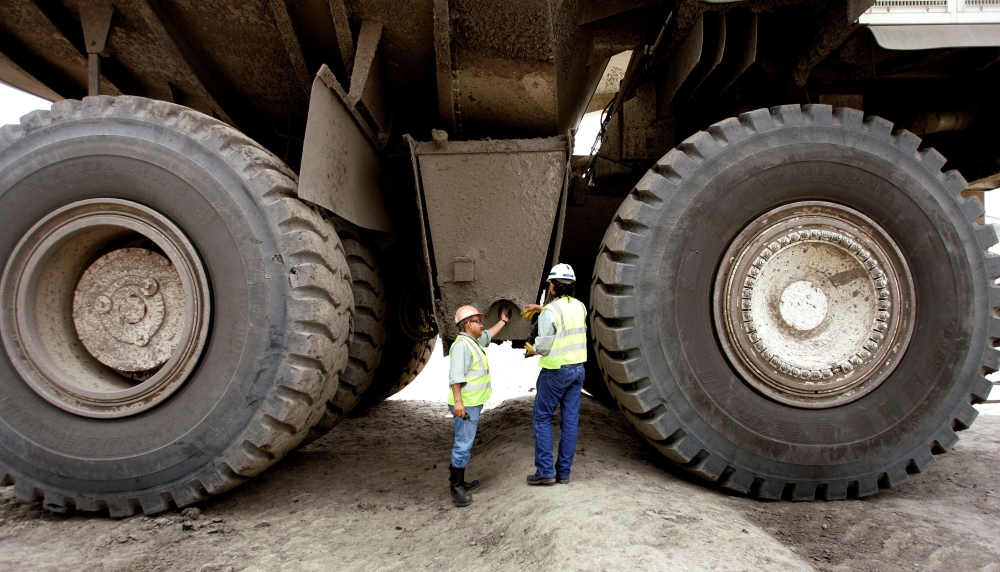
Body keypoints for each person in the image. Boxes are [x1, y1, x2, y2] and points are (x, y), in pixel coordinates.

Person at [523, 263, 587, 486]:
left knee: (542, 418)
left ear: (552, 287)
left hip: (556, 371)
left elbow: (544, 345)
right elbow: (565, 320)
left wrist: (532, 349)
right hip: (578, 370)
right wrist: (543, 310)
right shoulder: (580, 306)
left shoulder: (551, 311)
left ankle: (545, 472)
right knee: (570, 421)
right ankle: (564, 474)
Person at [448, 304, 510, 507]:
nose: (482, 325)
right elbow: (456, 377)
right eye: (478, 321)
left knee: (465, 443)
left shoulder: (473, 342)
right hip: (465, 405)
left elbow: (488, 335)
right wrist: (458, 403)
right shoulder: (462, 346)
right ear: (468, 324)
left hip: (471, 404)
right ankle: (456, 487)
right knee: (463, 444)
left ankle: (460, 482)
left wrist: (503, 321)